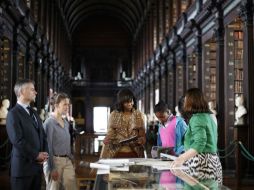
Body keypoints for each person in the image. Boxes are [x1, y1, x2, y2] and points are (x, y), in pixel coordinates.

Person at [170, 88, 222, 184]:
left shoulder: (197, 118)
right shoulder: (211, 116)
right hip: (214, 161)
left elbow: (199, 143)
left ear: (191, 101)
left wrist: (181, 159)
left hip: (201, 163)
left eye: (186, 99)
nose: (185, 102)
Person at [6, 79, 48, 190]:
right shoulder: (13, 114)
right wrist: (36, 155)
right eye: (32, 89)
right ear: (22, 92)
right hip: (22, 170)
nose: (36, 92)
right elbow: (17, 140)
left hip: (36, 169)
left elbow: (43, 135)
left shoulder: (34, 112)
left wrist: (44, 154)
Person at [43, 92, 77, 190]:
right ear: (56, 105)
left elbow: (67, 143)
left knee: (72, 187)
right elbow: (47, 147)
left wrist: (71, 158)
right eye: (65, 104)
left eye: (68, 104)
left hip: (67, 161)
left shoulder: (65, 122)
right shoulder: (49, 123)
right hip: (54, 161)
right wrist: (52, 168)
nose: (67, 107)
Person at [100, 88, 146, 158]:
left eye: (131, 101)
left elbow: (142, 136)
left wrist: (141, 140)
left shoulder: (139, 115)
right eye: (127, 102)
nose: (130, 104)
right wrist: (107, 140)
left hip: (135, 152)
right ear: (121, 102)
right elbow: (110, 134)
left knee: (135, 169)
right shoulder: (114, 115)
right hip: (117, 152)